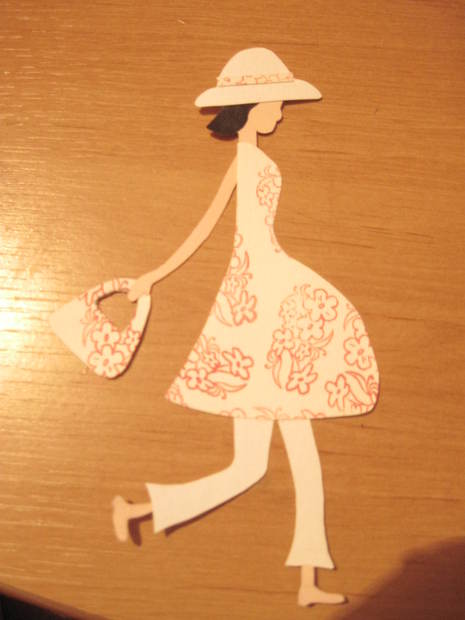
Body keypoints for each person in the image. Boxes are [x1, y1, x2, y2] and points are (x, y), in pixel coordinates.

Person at [112, 48, 379, 608]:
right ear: (252, 105)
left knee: (279, 460)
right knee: (257, 464)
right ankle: (140, 511)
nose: (279, 111)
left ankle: (305, 579)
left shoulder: (252, 159)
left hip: (269, 298)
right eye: (275, 101)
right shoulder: (246, 162)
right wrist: (153, 276)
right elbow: (207, 227)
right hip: (259, 307)